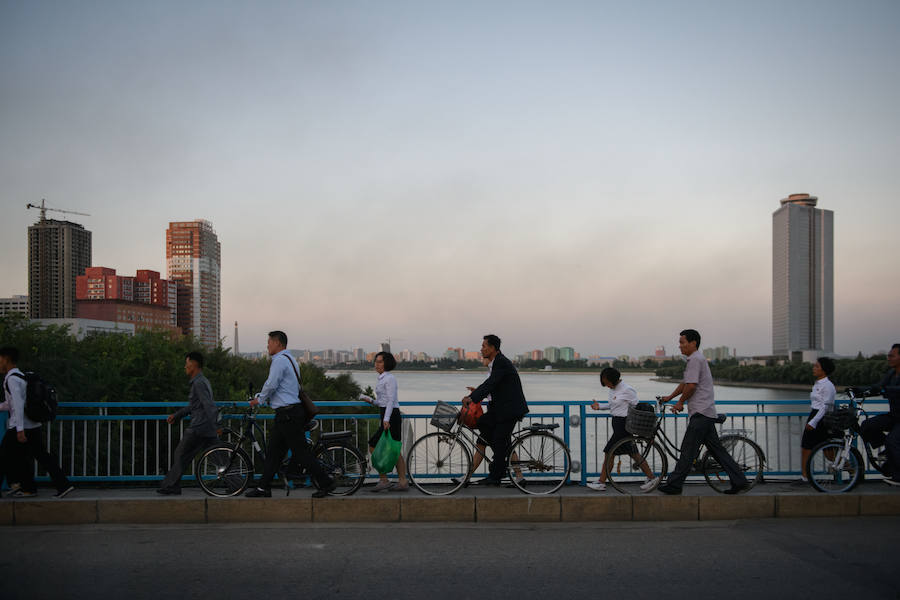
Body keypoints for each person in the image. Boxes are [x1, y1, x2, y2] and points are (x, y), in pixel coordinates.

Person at [656, 329, 748, 495]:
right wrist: (670, 397)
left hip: (701, 413)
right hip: (704, 412)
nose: (680, 346)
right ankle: (740, 480)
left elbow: (691, 386)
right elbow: (686, 383)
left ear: (693, 343)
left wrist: (680, 403)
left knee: (687, 450)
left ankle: (674, 484)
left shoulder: (695, 360)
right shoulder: (695, 359)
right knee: (717, 451)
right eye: (680, 342)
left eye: (682, 342)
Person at [245, 331, 335, 498]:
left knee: (301, 453)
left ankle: (326, 482)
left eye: (269, 342)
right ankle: (263, 487)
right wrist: (262, 397)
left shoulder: (279, 360)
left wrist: (259, 399)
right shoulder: (291, 360)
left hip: (288, 414)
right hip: (288, 413)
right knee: (274, 453)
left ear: (278, 343)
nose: (267, 345)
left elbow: (271, 385)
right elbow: (283, 388)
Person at [0, 346, 74, 499]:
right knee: (38, 456)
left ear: (6, 359)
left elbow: (19, 405)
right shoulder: (21, 376)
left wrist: (20, 430)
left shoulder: (12, 379)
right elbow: (12, 404)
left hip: (20, 427)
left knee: (4, 456)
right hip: (33, 425)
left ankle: (27, 486)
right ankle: (57, 485)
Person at [462, 334, 529, 485]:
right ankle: (468, 477)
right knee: (485, 431)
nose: (481, 349)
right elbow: (494, 386)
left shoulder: (501, 363)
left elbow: (491, 384)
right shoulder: (496, 363)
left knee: (500, 441)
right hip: (498, 410)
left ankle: (496, 474)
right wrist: (476, 393)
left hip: (508, 410)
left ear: (492, 348)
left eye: (484, 346)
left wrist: (472, 398)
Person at [587, 367, 658, 492]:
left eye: (606, 382)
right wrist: (599, 407)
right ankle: (652, 478)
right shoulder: (613, 390)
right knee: (634, 454)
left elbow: (637, 407)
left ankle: (601, 482)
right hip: (617, 424)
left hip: (624, 426)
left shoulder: (627, 390)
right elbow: (612, 405)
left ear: (613, 379)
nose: (605, 385)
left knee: (609, 453)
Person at [157, 352, 220, 495]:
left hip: (198, 427)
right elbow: (195, 405)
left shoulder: (198, 383)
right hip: (207, 427)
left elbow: (208, 405)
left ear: (194, 364)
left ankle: (171, 485)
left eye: (187, 363)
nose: (185, 366)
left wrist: (217, 425)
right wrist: (177, 415)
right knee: (219, 456)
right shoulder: (203, 381)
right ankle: (236, 483)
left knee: (180, 453)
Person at [358, 351, 408, 492]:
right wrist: (370, 400)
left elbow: (391, 400)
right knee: (394, 450)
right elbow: (382, 401)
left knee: (375, 446)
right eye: (376, 361)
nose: (377, 364)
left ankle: (385, 480)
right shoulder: (381, 379)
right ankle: (400, 481)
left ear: (387, 363)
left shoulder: (390, 378)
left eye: (380, 361)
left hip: (391, 416)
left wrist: (386, 419)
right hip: (387, 415)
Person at [859, 343, 900, 486]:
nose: (888, 358)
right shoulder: (891, 373)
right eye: (888, 355)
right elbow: (878, 387)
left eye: (891, 355)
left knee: (892, 441)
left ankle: (898, 476)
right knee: (866, 425)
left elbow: (893, 389)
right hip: (894, 416)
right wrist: (859, 391)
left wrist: (886, 390)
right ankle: (888, 450)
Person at [798, 357, 836, 484]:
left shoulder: (828, 386)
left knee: (826, 450)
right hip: (815, 415)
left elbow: (826, 406)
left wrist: (813, 422)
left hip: (821, 418)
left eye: (817, 367)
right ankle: (805, 477)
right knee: (806, 447)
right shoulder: (818, 383)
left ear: (824, 370)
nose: (814, 368)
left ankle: (853, 470)